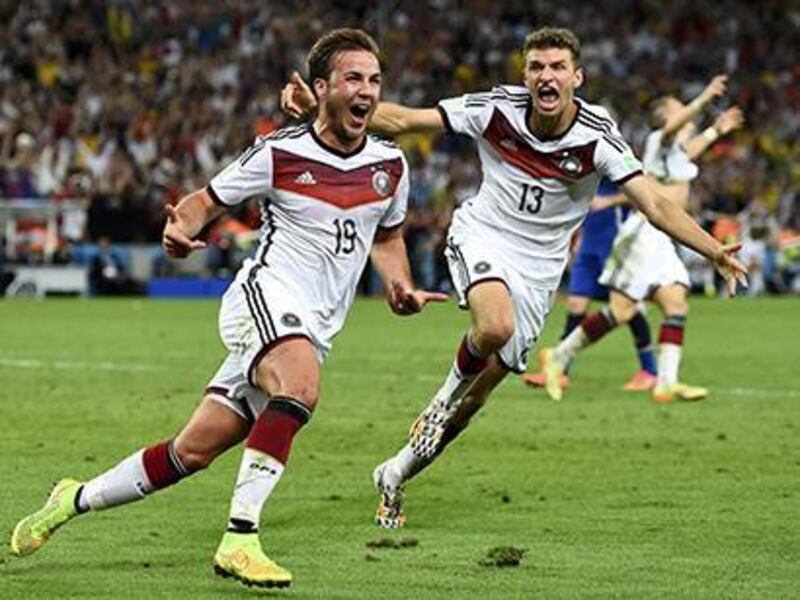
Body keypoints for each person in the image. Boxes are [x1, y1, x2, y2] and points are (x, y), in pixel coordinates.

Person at [9, 29, 445, 588]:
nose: (367, 90)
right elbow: (203, 203)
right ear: (321, 88)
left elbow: (387, 237)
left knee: (190, 452)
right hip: (262, 300)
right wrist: (178, 230)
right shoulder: (280, 153)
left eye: (375, 80)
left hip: (313, 326)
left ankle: (73, 499)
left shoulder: (390, 166)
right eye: (354, 78)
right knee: (300, 386)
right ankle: (240, 539)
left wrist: (400, 284)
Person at [282, 26, 747, 530]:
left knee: (475, 400)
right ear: (526, 75)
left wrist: (713, 249)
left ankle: (395, 473)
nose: (546, 76)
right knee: (493, 327)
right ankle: (438, 402)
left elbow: (655, 201)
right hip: (483, 236)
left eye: (556, 68)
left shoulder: (597, 136)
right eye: (536, 68)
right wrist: (320, 112)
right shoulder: (496, 108)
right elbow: (405, 119)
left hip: (540, 272)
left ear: (577, 76)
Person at [539, 75, 745, 403]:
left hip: (663, 239)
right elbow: (673, 130)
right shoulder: (657, 141)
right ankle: (559, 356)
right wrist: (705, 98)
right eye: (678, 110)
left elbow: (690, 150)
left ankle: (666, 382)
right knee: (621, 310)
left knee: (675, 302)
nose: (685, 116)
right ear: (667, 117)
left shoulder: (674, 154)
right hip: (644, 233)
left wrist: (717, 130)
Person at [522, 176, 658, 392]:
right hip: (589, 247)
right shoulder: (581, 162)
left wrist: (608, 201)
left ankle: (650, 370)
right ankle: (560, 369)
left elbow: (643, 192)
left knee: (628, 307)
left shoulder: (613, 157)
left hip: (615, 245)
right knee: (576, 305)